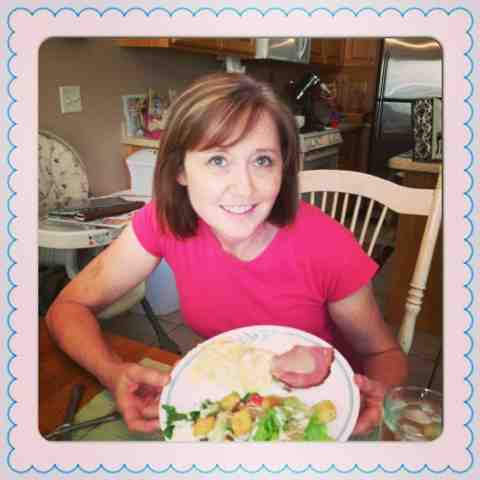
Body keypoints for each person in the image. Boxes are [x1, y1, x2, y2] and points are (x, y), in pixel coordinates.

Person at [46, 72, 408, 437]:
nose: (244, 188)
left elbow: (383, 354)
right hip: (233, 402)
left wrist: (378, 402)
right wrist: (112, 372)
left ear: (283, 168)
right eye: (218, 160)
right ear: (180, 170)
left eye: (262, 161)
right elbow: (68, 307)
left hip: (318, 415)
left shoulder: (327, 246)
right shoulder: (163, 222)